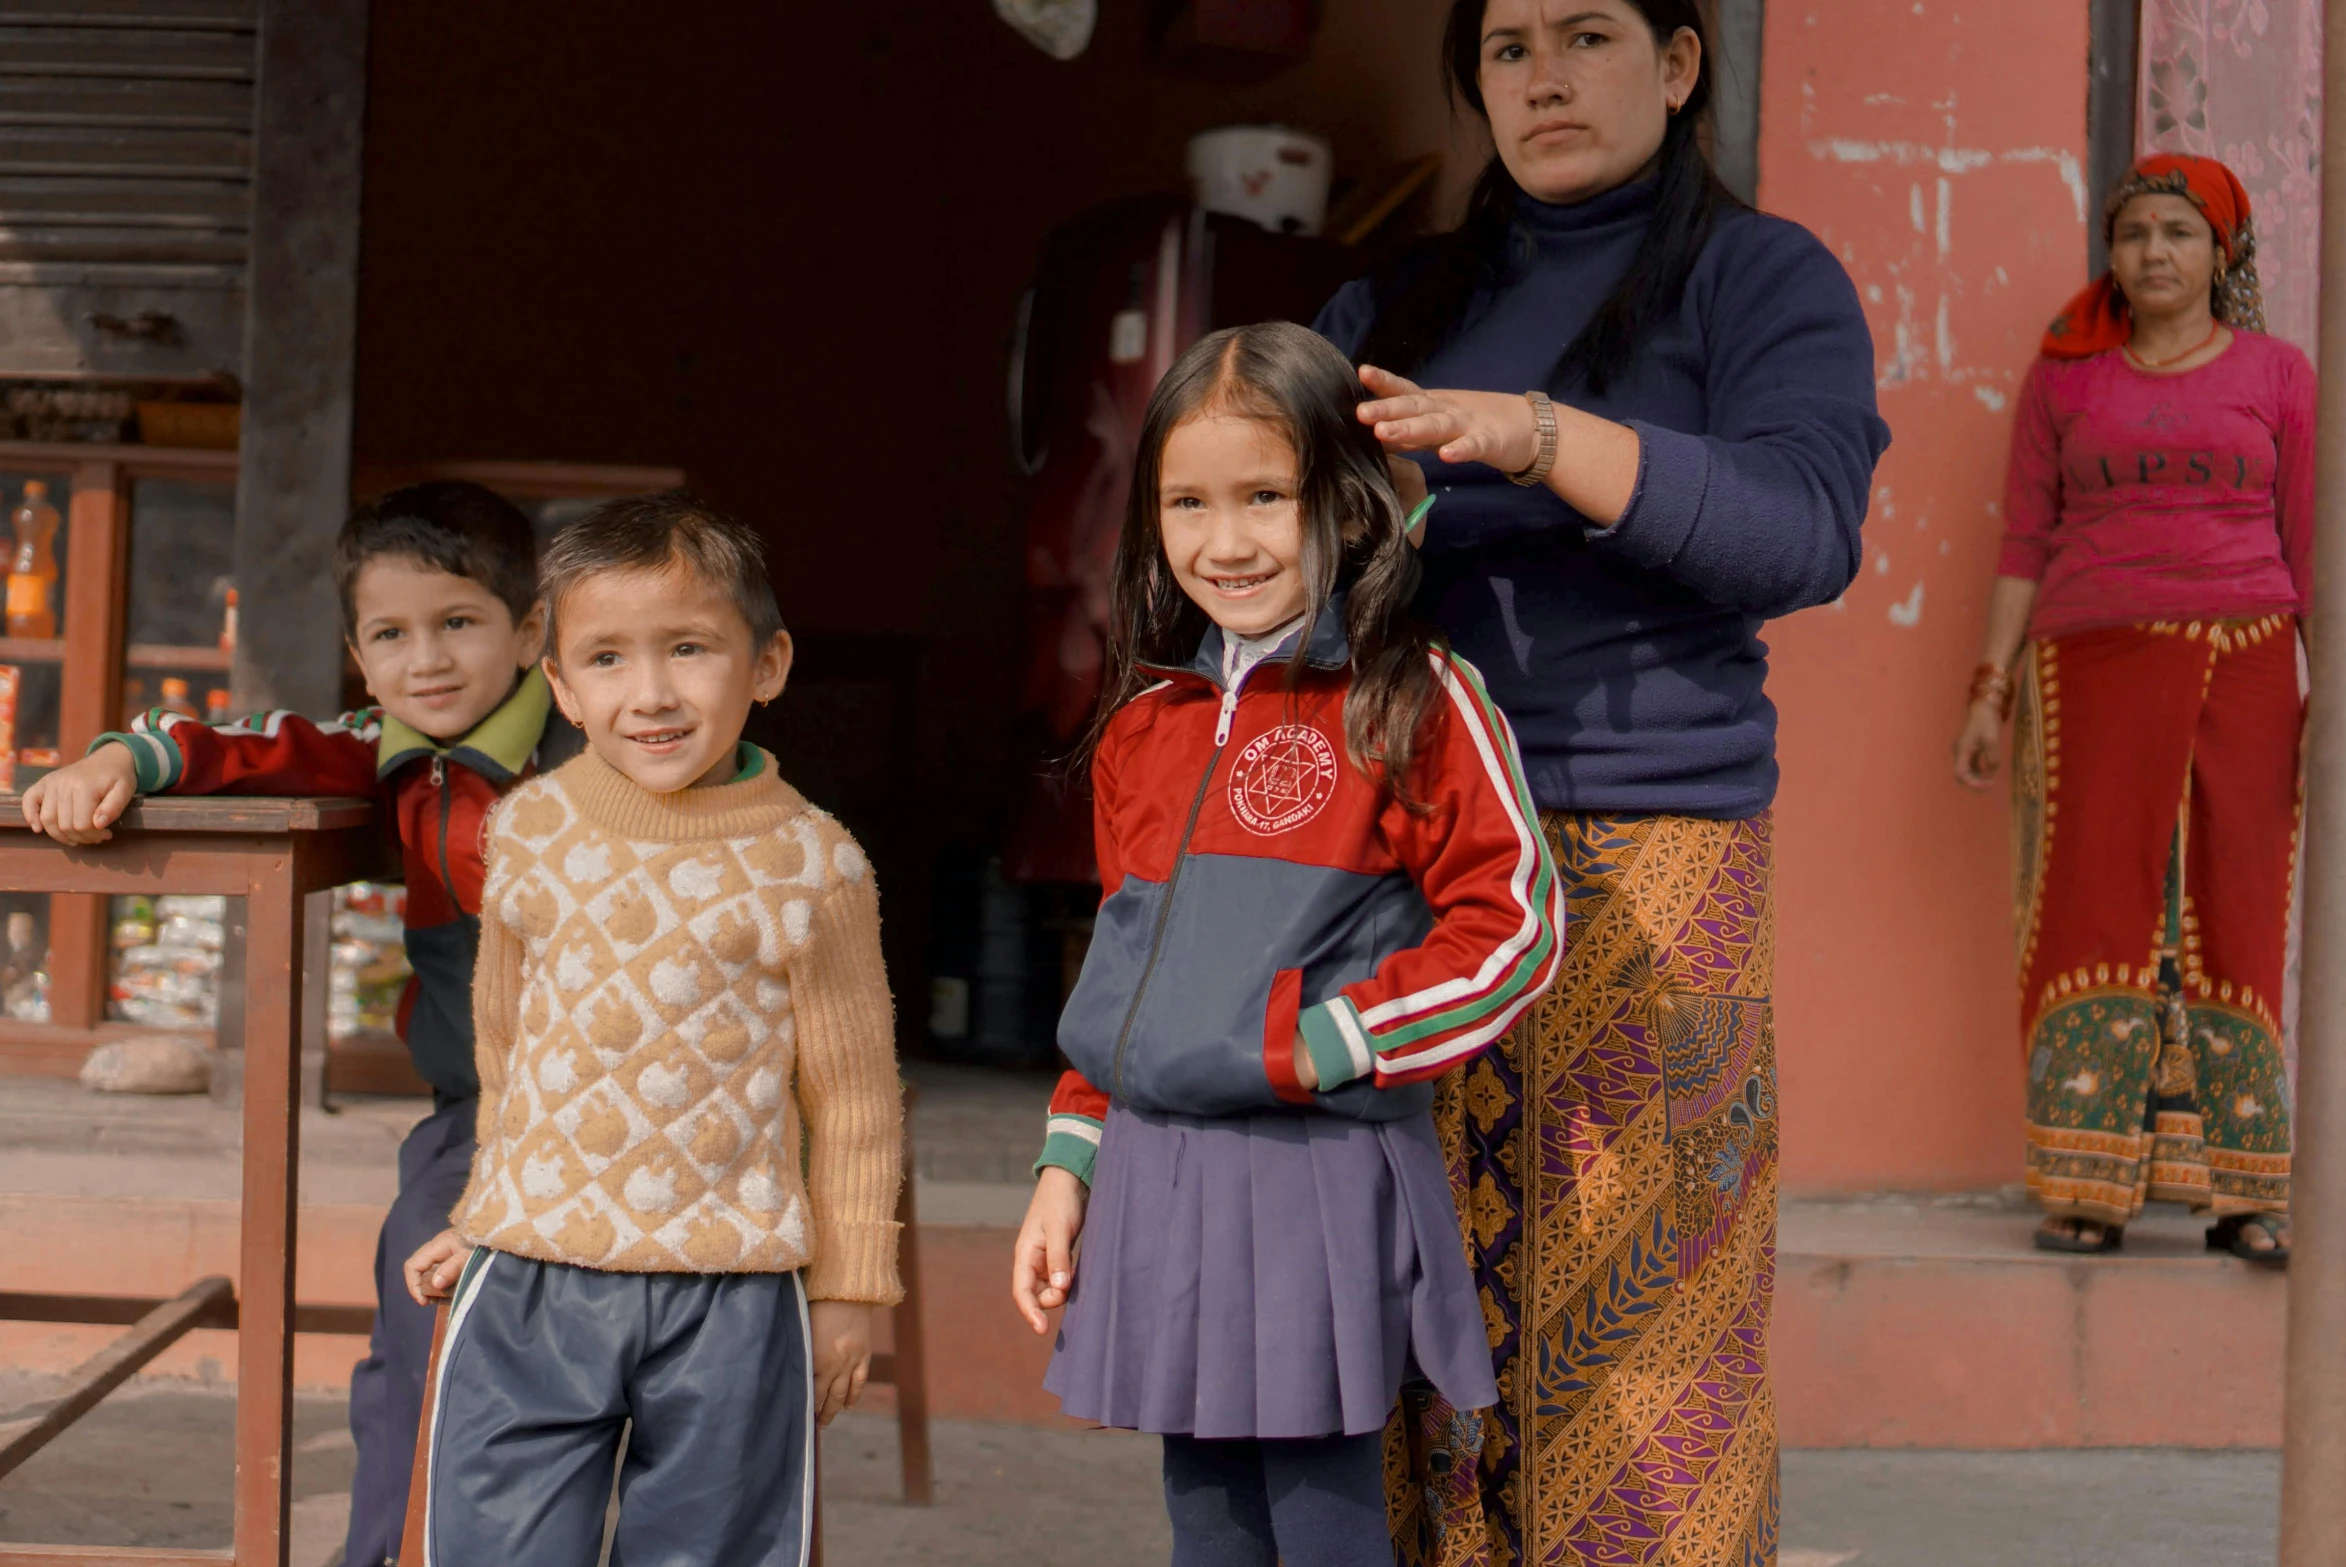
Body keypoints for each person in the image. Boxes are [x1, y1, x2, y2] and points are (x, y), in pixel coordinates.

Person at [1309, 0, 1889, 1557]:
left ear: (1679, 63)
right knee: (1405, 1324)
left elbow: (1798, 528)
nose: (1545, 77)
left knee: (1647, 1334)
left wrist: (1537, 437)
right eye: (1507, 50)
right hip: (1405, 863)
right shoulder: (1400, 297)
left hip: (1647, 857)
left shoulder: (1758, 278)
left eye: (1585, 35)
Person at [1009, 320, 1563, 1567]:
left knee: (1318, 1518)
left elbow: (1514, 928)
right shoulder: (1144, 726)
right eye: (1187, 502)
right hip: (1156, 1169)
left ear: (1349, 505)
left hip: (1308, 1172)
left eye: (1266, 495)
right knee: (1202, 1513)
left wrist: (1326, 1042)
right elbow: (1125, 969)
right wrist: (1068, 1163)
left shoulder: (1412, 698)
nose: (1224, 540)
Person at [20, 482, 573, 1567]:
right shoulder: (383, 747)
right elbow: (241, 744)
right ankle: (384, 1554)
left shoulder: (591, 756)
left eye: (459, 622)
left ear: (530, 629)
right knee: (411, 1334)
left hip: (620, 1109)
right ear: (358, 653)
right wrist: (117, 761)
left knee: (585, 1351)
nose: (428, 659)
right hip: (479, 1116)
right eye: (391, 633)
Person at [402, 494, 901, 1567]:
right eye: (609, 660)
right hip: (531, 1275)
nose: (653, 693)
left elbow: (853, 1096)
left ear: (765, 664)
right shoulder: (528, 829)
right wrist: (488, 1204)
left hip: (731, 1292)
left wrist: (851, 1287)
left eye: (688, 648)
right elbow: (508, 1045)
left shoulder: (814, 863)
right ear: (563, 687)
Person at [1953, 153, 2307, 1266]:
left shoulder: (2278, 375)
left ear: (2222, 253)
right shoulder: (2065, 377)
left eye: (2179, 233)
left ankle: (2241, 1194)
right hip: (2086, 667)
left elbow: (2311, 546)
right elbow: (2022, 538)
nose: (2153, 253)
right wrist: (1987, 687)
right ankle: (2085, 1185)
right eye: (2134, 233)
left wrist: (2328, 694)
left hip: (2244, 664)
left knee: (2233, 909)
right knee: (2090, 909)